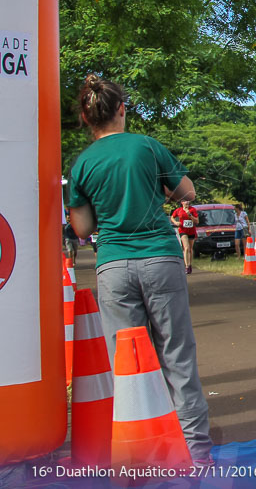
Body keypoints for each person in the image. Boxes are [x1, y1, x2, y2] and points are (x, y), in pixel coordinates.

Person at [67, 75, 213, 465]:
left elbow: (81, 229)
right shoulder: (148, 147)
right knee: (177, 355)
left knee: (127, 365)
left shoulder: (81, 165)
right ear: (122, 109)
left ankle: (139, 454)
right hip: (161, 258)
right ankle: (196, 453)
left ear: (85, 116)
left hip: (113, 264)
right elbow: (187, 192)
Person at [170, 199, 199, 275]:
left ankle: (189, 264)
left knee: (190, 249)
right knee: (186, 248)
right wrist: (176, 222)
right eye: (185, 201)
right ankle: (187, 266)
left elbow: (197, 221)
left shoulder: (192, 210)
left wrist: (189, 215)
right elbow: (172, 217)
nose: (187, 202)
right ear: (182, 202)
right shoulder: (178, 210)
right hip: (183, 231)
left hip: (191, 231)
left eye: (188, 201)